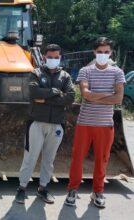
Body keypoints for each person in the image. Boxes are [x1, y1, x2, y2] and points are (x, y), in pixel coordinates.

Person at [65, 37, 125, 208]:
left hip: (105, 125)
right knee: (77, 158)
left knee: (102, 159)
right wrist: (108, 95)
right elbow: (85, 94)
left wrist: (95, 95)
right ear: (94, 52)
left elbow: (119, 98)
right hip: (84, 123)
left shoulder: (117, 73)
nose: (103, 55)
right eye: (100, 52)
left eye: (106, 52)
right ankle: (72, 189)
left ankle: (97, 192)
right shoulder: (86, 71)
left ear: (111, 53)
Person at [15, 44, 75, 204]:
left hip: (57, 124)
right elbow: (33, 93)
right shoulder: (35, 73)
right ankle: (21, 188)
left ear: (60, 57)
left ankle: (43, 189)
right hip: (36, 122)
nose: (53, 59)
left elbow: (70, 97)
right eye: (50, 57)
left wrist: (45, 99)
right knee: (30, 157)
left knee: (49, 159)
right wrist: (55, 93)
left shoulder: (66, 76)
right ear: (43, 57)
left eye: (56, 57)